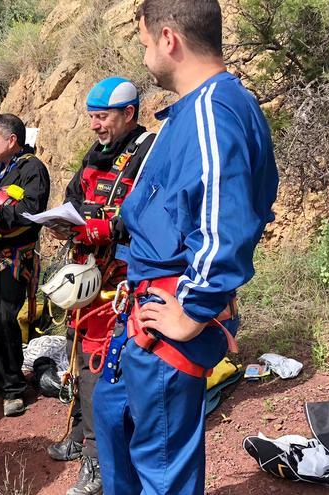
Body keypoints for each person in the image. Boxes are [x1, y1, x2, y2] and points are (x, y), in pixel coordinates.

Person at [93, 2, 279, 494]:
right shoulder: (196, 111)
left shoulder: (213, 112)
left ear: (168, 39)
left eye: (144, 42)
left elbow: (228, 223)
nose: (145, 52)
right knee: (113, 418)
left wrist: (192, 311)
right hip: (144, 307)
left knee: (163, 467)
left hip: (168, 316)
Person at [46, 77, 156, 495]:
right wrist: (66, 223)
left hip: (121, 281)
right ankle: (81, 427)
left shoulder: (149, 152)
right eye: (91, 116)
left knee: (99, 362)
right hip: (87, 273)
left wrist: (105, 227)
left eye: (102, 116)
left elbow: (147, 212)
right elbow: (76, 196)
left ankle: (97, 460)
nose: (94, 125)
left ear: (129, 114)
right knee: (76, 347)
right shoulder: (99, 152)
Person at [0, 114, 50, 417]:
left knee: (6, 317)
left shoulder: (33, 170)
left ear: (11, 140)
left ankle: (13, 387)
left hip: (16, 257)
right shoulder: (2, 168)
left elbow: (31, 210)